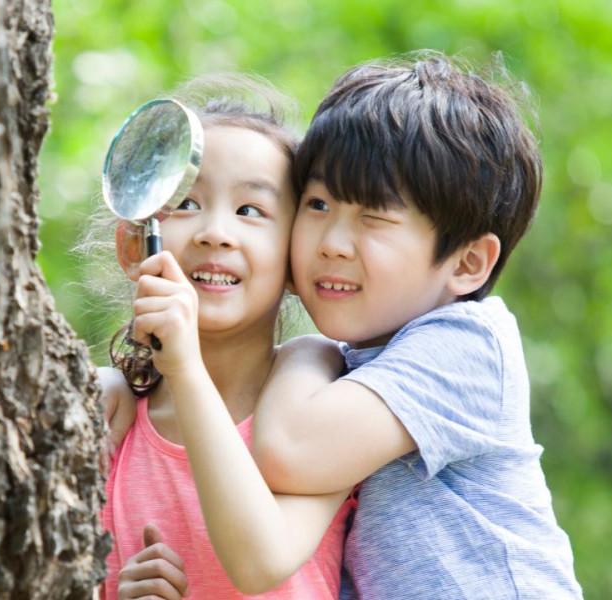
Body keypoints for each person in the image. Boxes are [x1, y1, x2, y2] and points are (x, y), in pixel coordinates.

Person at [243, 52, 583, 598]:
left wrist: (308, 349)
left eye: (373, 217)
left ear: (468, 263)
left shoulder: (468, 343)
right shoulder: (356, 364)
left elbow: (288, 452)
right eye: (317, 204)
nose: (331, 243)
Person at [96, 73, 356, 600]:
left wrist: (185, 370)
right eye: (186, 204)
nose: (215, 231)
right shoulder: (108, 424)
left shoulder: (322, 409)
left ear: (296, 259)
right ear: (132, 248)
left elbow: (262, 564)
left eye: (251, 211)